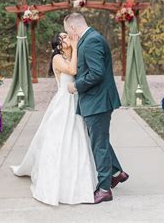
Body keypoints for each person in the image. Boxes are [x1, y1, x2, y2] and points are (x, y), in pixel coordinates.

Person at [11, 32, 97, 206]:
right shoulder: (57, 58)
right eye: (64, 37)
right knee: (58, 139)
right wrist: (74, 47)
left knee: (77, 139)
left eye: (68, 36)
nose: (68, 39)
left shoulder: (73, 54)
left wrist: (75, 49)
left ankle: (80, 180)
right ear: (58, 45)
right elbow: (72, 71)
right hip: (63, 102)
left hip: (76, 101)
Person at [65, 13, 128, 204]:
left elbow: (96, 73)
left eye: (68, 31)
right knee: (99, 139)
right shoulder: (90, 39)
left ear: (74, 28)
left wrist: (76, 86)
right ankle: (116, 172)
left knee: (98, 144)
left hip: (98, 101)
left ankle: (104, 189)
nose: (68, 34)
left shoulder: (92, 41)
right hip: (95, 100)